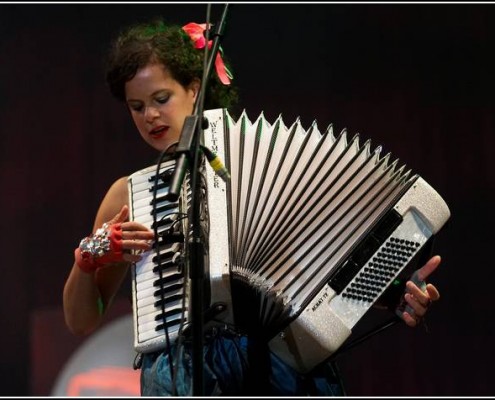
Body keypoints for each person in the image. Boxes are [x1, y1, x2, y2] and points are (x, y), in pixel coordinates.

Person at [62, 18, 442, 396]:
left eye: (161, 99)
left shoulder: (263, 162)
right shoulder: (127, 195)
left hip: (279, 363)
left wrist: (392, 293)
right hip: (185, 374)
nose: (149, 116)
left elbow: (316, 264)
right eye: (136, 106)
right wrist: (90, 257)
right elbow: (81, 320)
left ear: (195, 89)